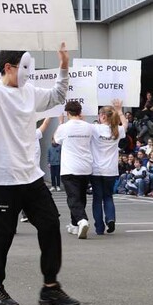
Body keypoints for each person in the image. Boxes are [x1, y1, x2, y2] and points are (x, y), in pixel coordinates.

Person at [0, 40, 77, 305]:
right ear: (8, 67)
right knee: (3, 235)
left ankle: (50, 288)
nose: (28, 74)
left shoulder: (29, 91)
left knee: (51, 224)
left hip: (31, 176)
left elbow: (56, 96)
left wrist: (64, 66)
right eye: (24, 68)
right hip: (4, 178)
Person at [53, 101, 95, 240]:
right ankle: (74, 224)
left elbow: (55, 141)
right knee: (80, 196)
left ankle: (82, 220)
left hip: (70, 167)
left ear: (67, 113)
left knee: (73, 197)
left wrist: (60, 123)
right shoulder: (89, 127)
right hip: (86, 166)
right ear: (80, 112)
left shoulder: (64, 127)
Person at [90, 99, 126, 235]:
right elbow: (125, 124)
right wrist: (120, 111)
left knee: (97, 199)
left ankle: (99, 227)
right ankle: (110, 219)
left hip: (96, 170)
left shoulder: (95, 128)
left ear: (103, 116)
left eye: (99, 115)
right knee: (108, 197)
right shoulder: (117, 130)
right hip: (111, 170)